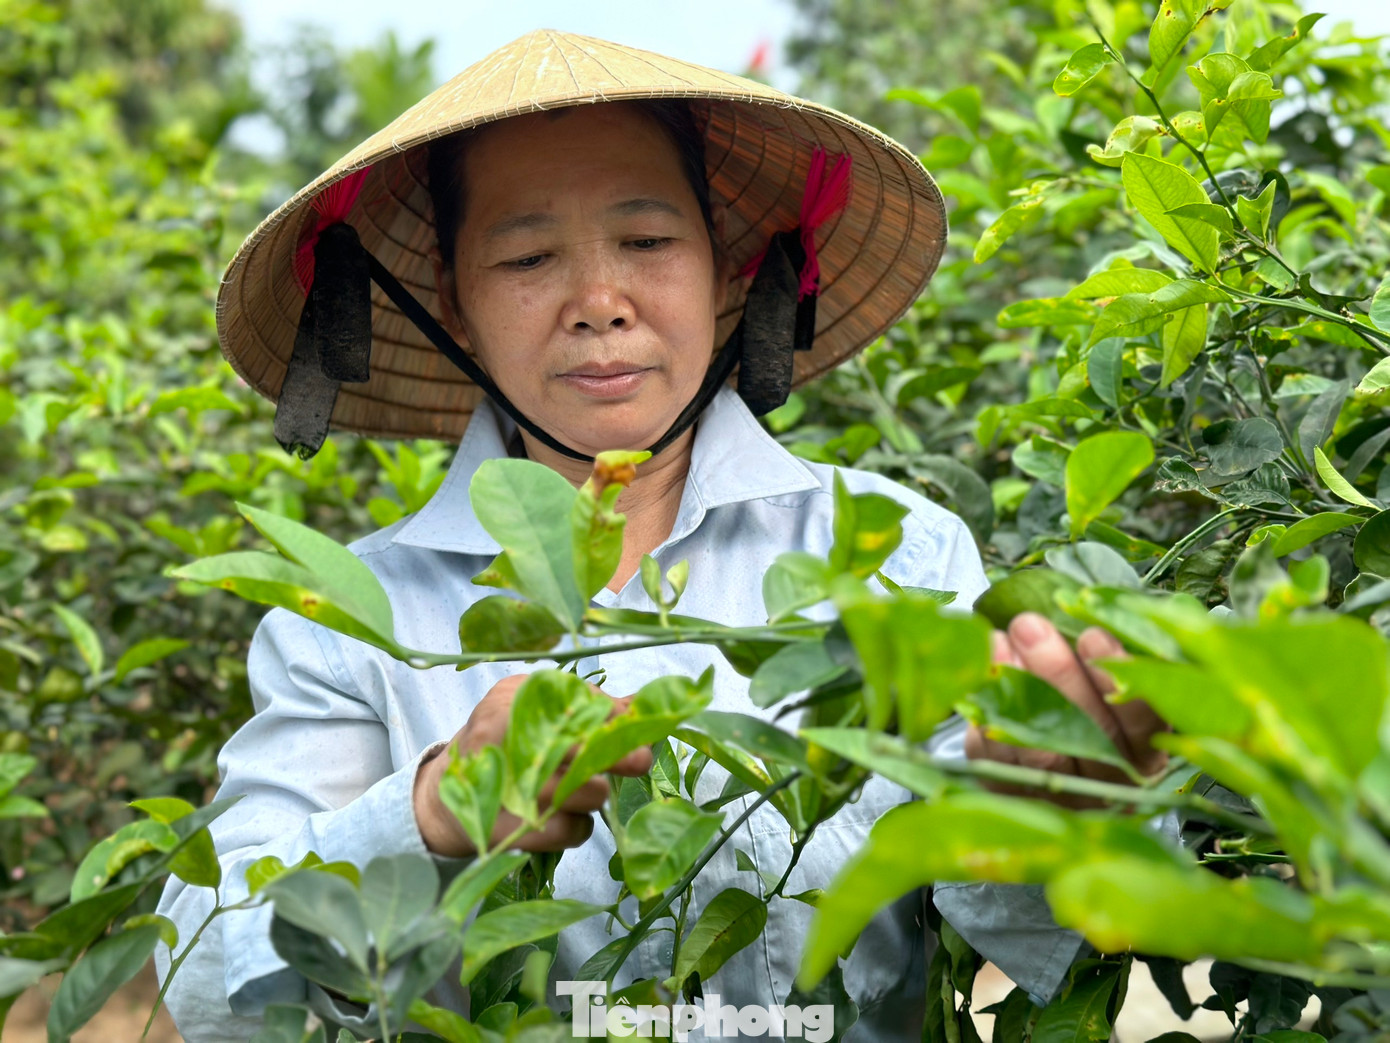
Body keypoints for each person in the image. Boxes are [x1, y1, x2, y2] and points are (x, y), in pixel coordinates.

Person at [156, 29, 1165, 1041]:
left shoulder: (896, 552)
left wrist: (1058, 795)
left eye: (646, 243)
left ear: (725, 274)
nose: (600, 304)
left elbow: (1040, 930)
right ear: (453, 308)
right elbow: (202, 981)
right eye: (525, 255)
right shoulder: (353, 625)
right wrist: (430, 812)